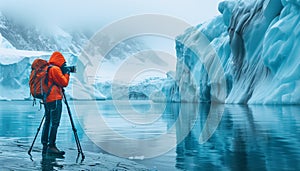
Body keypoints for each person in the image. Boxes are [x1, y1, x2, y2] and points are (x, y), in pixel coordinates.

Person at [41, 51, 70, 156]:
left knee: (48, 121)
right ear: (60, 61)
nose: (64, 65)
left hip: (47, 99)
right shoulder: (55, 69)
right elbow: (64, 83)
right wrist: (67, 73)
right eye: (64, 64)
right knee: (55, 123)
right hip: (55, 99)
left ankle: (45, 143)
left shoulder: (48, 69)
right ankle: (51, 146)